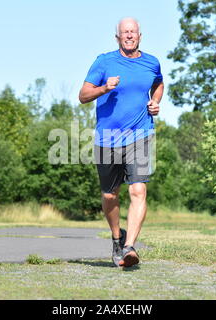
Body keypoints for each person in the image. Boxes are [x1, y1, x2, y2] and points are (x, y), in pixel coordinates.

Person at [79, 17, 164, 267]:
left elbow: (158, 84)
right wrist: (104, 88)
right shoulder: (104, 61)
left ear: (140, 35)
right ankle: (117, 237)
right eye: (124, 32)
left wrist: (155, 101)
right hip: (108, 139)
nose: (129, 35)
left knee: (138, 190)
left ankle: (129, 247)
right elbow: (83, 96)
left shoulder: (151, 62)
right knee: (109, 195)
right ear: (117, 37)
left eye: (133, 32)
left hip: (140, 134)